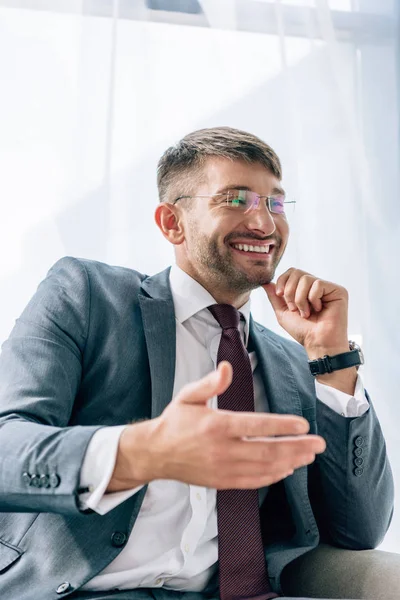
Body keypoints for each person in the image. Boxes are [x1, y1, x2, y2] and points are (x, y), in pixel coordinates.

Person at [0, 127, 393, 600]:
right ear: (172, 223)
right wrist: (144, 451)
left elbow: (358, 532)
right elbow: (8, 446)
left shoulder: (292, 362)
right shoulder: (86, 294)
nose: (265, 224)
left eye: (275, 203)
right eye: (235, 200)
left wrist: (333, 362)